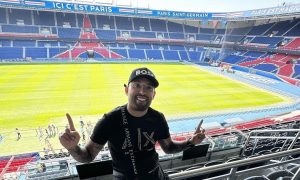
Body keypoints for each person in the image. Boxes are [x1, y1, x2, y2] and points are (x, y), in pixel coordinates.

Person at [59, 67, 206, 180]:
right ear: (126, 90)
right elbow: (88, 156)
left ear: (153, 94)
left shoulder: (157, 118)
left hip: (155, 176)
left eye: (148, 87)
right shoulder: (110, 120)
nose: (142, 91)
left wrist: (191, 142)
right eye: (136, 85)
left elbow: (168, 148)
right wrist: (73, 148)